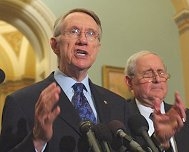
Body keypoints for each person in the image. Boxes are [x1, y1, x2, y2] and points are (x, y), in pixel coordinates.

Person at [0, 8, 131, 152]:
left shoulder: (118, 104)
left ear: (97, 47)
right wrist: (38, 139)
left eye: (91, 34)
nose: (83, 40)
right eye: (74, 31)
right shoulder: (21, 101)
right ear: (55, 45)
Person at [124, 50, 189, 152]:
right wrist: (158, 141)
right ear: (129, 82)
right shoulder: (119, 118)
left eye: (161, 73)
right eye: (148, 74)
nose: (157, 79)